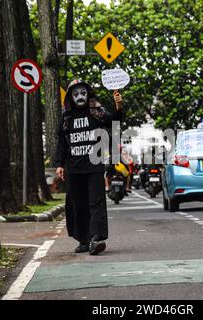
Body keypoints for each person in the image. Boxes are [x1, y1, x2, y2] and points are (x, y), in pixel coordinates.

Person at [55, 79, 123, 255]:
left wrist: (118, 106)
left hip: (94, 166)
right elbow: (61, 142)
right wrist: (59, 164)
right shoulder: (66, 117)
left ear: (88, 94)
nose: (80, 97)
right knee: (78, 204)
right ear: (70, 96)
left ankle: (96, 238)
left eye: (83, 93)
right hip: (73, 168)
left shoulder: (96, 112)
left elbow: (114, 123)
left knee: (96, 203)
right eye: (76, 94)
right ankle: (83, 240)